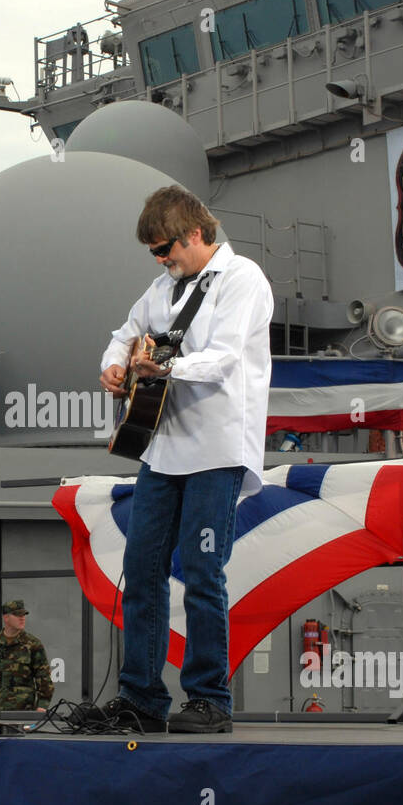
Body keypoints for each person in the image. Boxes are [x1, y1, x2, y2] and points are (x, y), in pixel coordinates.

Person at [91, 185, 273, 734]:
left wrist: (164, 370)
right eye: (153, 251)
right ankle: (142, 698)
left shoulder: (243, 280)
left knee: (201, 570)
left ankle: (209, 698)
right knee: (141, 569)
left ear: (196, 233)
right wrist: (115, 366)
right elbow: (124, 335)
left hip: (217, 449)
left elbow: (221, 360)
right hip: (163, 447)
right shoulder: (161, 287)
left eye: (165, 247)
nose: (161, 258)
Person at [0, 600, 54, 713]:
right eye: (17, 615)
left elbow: (43, 677)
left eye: (23, 615)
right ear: (6, 618)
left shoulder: (32, 644)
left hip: (21, 710)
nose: (22, 618)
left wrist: (42, 705)